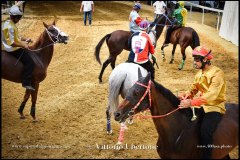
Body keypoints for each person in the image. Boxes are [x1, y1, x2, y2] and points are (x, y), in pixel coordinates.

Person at [178, 46, 226, 159]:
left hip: (214, 107)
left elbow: (212, 95)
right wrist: (186, 95)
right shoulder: (199, 74)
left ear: (205, 60)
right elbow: (193, 89)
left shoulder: (218, 73)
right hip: (201, 105)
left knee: (206, 132)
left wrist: (191, 102)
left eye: (197, 59)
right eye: (194, 59)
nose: (195, 62)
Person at [2, 5, 35, 91]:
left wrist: (25, 39)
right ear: (15, 17)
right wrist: (23, 45)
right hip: (12, 49)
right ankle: (26, 82)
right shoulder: (10, 27)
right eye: (19, 18)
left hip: (9, 46)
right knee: (30, 62)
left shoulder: (8, 23)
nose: (19, 19)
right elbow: (12, 42)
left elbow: (16, 37)